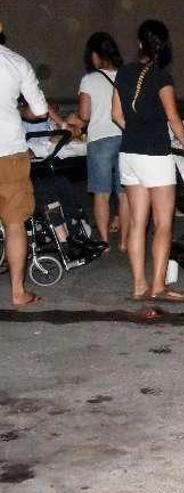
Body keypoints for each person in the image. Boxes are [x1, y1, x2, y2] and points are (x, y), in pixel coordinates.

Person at [111, 19, 184, 302]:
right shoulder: (161, 76)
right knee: (163, 223)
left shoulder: (123, 73)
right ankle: (158, 286)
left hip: (129, 153)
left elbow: (116, 115)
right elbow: (173, 116)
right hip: (155, 154)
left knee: (136, 222)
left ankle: (138, 286)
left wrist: (134, 130)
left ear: (139, 44)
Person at [1, 23, 48, 308]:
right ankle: (18, 291)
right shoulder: (16, 62)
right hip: (10, 153)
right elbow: (40, 110)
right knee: (15, 222)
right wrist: (19, 110)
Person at [77, 32, 129, 251]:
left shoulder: (89, 79)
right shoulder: (126, 76)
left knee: (101, 193)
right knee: (124, 193)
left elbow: (85, 114)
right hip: (125, 136)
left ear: (95, 55)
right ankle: (126, 241)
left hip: (100, 140)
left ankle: (105, 242)